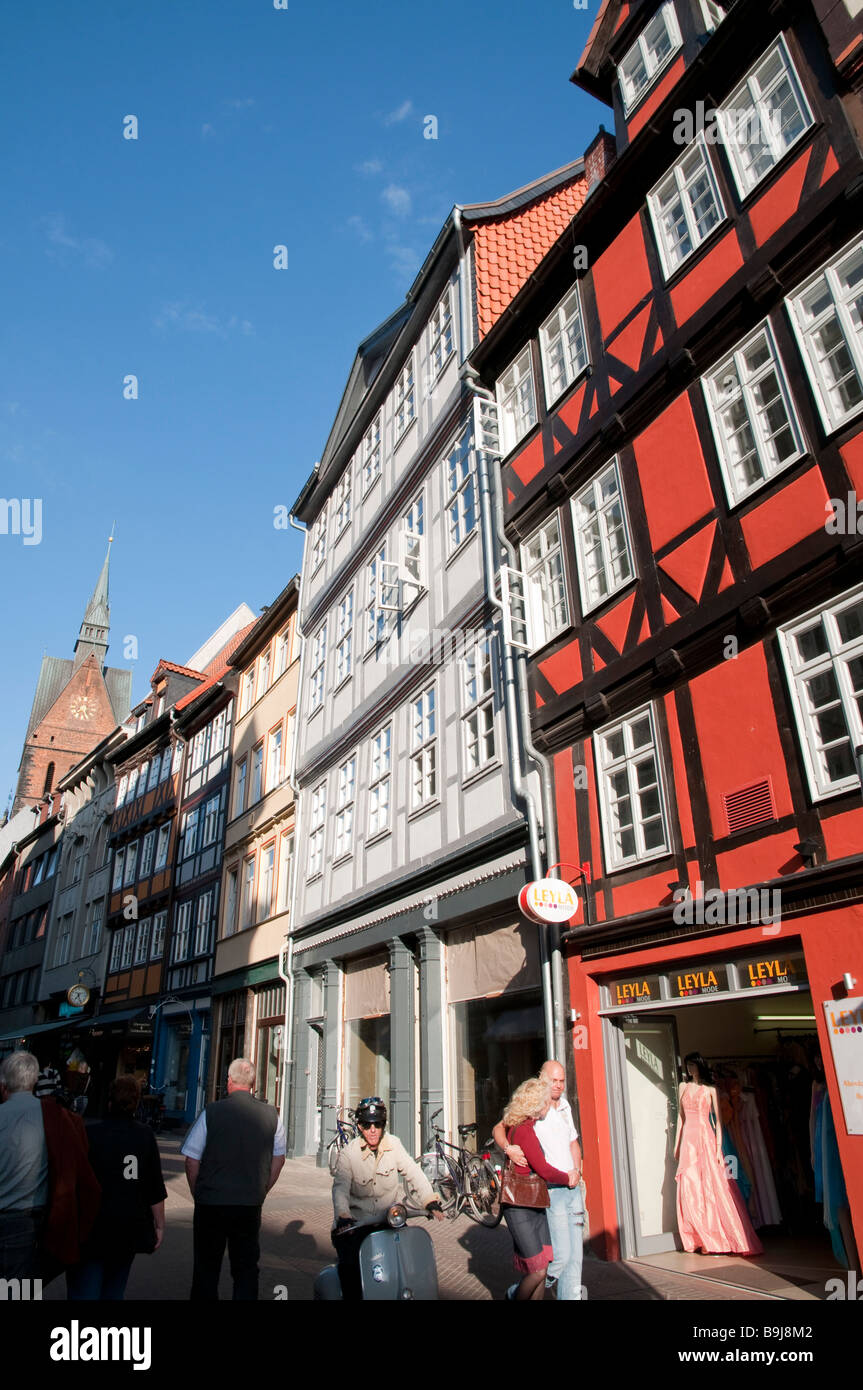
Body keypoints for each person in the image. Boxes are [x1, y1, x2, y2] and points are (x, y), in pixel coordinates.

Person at [182, 1056, 285, 1300]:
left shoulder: (212, 1112)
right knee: (246, 1269)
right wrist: (261, 1190)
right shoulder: (272, 1115)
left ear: (229, 1081)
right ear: (253, 1083)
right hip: (248, 1204)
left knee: (206, 1269)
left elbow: (191, 1158)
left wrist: (198, 1192)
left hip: (211, 1204)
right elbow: (278, 1160)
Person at [331, 1096, 445, 1300]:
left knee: (409, 1262)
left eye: (377, 1124)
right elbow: (340, 1188)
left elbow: (412, 1171)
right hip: (355, 1225)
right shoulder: (349, 1154)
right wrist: (343, 1215)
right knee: (352, 1274)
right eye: (367, 1124)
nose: (372, 1130)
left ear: (384, 1125)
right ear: (359, 1126)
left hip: (387, 1221)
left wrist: (429, 1199)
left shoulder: (393, 1144)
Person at [66, 1076, 167, 1300]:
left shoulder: (90, 1133)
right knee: (114, 1287)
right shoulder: (144, 1135)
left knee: (85, 1288)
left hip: (93, 1226)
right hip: (128, 1226)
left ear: (109, 1100)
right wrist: (159, 1224)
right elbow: (154, 1186)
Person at [493, 1059, 584, 1300]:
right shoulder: (530, 1115)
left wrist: (578, 1172)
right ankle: (517, 1293)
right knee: (557, 1258)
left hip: (573, 1188)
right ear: (542, 1079)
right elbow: (499, 1129)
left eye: (562, 1081)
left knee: (575, 1259)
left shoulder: (564, 1106)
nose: (558, 1085)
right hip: (550, 1190)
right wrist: (508, 1148)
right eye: (553, 1080)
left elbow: (573, 1142)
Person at [674, 1051, 762, 1256]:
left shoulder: (710, 1089)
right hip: (689, 1137)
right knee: (690, 1185)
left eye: (693, 1066)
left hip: (705, 1137)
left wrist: (718, 1146)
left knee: (712, 1187)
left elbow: (719, 1123)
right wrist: (676, 1143)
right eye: (688, 1066)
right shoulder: (683, 1087)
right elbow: (681, 1117)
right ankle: (696, 1235)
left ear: (700, 1067)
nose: (690, 1070)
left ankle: (714, 1236)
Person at [0, 1052, 49, 1279]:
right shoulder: (54, 1117)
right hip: (26, 1220)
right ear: (34, 1081)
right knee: (17, 1292)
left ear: (4, 1084)